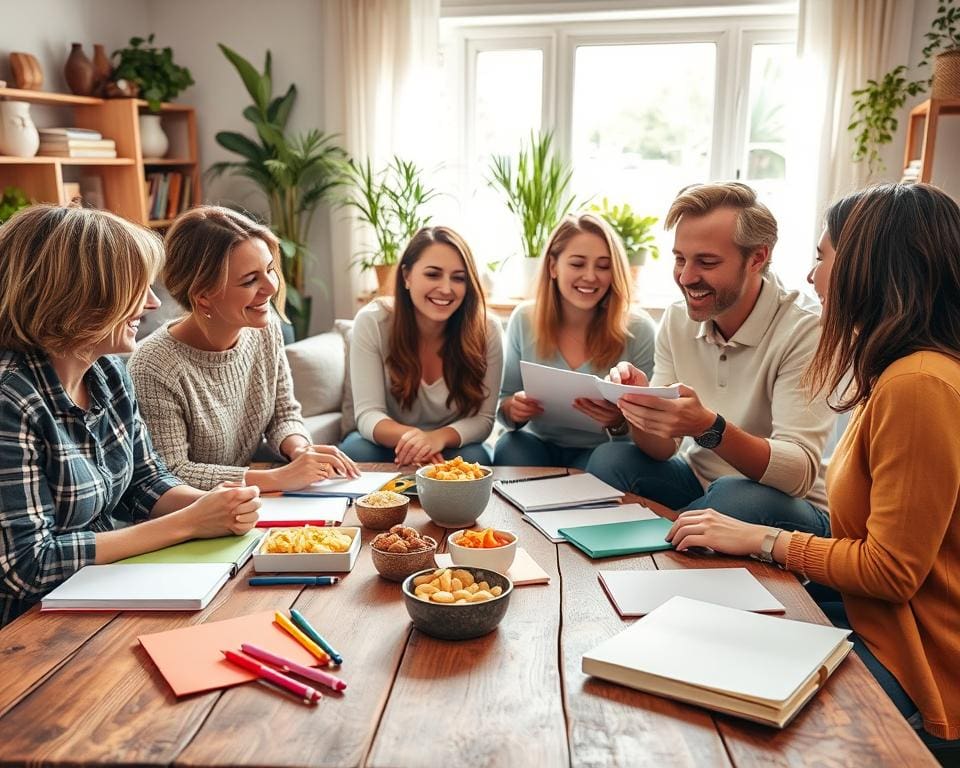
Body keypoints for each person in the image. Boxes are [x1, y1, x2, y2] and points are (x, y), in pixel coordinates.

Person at [667, 183, 960, 749]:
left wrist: (760, 538)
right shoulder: (904, 373)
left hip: (914, 659)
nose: (810, 276)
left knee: (715, 711)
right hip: (866, 616)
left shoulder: (919, 385)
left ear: (870, 268)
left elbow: (891, 571)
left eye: (822, 257)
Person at [0, 205, 261, 627]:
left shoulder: (108, 372)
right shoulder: (11, 399)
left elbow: (145, 480)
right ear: (79, 295)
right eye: (137, 289)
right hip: (30, 625)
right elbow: (27, 565)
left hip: (106, 587)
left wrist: (216, 506)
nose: (155, 302)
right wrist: (188, 524)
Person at [586, 182, 834, 532]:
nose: (686, 277)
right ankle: (677, 531)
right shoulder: (677, 318)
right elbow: (662, 449)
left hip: (783, 506)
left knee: (733, 497)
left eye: (707, 262)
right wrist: (637, 408)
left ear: (757, 258)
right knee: (611, 458)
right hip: (702, 485)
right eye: (679, 259)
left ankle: (666, 531)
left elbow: (796, 475)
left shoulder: (806, 330)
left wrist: (708, 427)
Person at [129, 206, 358, 491]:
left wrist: (300, 452)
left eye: (270, 270)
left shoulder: (266, 329)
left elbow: (283, 415)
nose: (271, 287)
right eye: (250, 280)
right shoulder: (153, 365)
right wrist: (276, 479)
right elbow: (171, 472)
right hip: (193, 514)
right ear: (203, 297)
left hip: (246, 500)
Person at [494, 212, 656, 469]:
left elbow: (652, 423)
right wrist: (514, 410)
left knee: (609, 462)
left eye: (603, 266)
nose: (591, 276)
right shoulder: (524, 319)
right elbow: (503, 402)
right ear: (553, 267)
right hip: (538, 445)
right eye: (578, 264)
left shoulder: (638, 328)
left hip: (603, 450)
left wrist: (618, 420)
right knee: (510, 446)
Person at [341, 226, 503, 466]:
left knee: (476, 457)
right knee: (356, 450)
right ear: (407, 276)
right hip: (391, 443)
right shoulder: (372, 322)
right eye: (433, 274)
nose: (446, 289)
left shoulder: (487, 329)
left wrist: (436, 438)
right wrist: (416, 441)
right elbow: (368, 415)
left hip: (449, 446)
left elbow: (483, 420)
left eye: (458, 278)